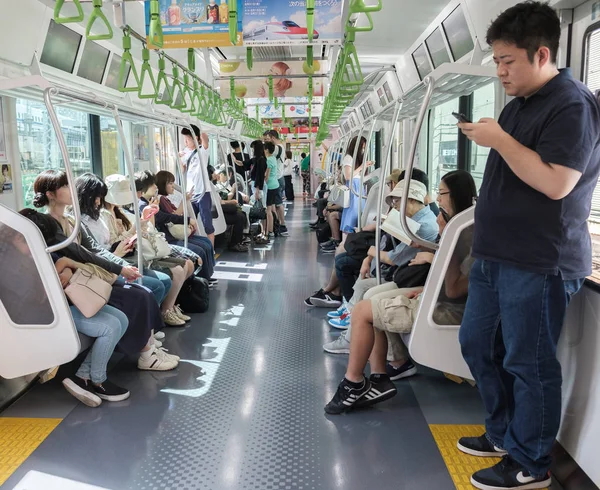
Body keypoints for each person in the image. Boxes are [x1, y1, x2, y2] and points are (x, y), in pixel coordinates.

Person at [455, 3, 600, 489]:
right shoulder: (520, 104)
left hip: (539, 261)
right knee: (476, 343)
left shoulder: (571, 105)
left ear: (542, 54)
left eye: (507, 60)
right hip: (497, 255)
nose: (499, 71)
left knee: (529, 363)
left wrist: (498, 140)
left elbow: (557, 183)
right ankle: (503, 434)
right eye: (496, 60)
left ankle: (531, 462)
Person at [324, 171, 477, 415]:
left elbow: (453, 287)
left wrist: (436, 252)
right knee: (371, 298)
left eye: (441, 192)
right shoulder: (455, 225)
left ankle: (353, 383)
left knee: (365, 310)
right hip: (435, 294)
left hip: (447, 307)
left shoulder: (461, 230)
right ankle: (378, 377)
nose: (437, 198)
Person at [181, 125, 215, 247]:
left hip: (203, 192)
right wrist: (179, 159)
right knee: (189, 223)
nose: (185, 142)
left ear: (194, 138)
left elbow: (204, 137)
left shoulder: (202, 151)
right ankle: (192, 248)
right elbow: (182, 171)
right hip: (190, 194)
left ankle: (211, 250)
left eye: (188, 139)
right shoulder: (185, 153)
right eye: (184, 139)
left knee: (207, 224)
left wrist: (194, 126)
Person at [263, 130, 289, 235]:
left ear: (273, 138)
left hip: (276, 179)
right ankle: (277, 225)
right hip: (278, 178)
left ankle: (283, 225)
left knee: (278, 204)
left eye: (267, 139)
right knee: (274, 205)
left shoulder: (277, 148)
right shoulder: (280, 147)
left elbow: (266, 154)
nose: (266, 142)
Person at [250, 139, 269, 244]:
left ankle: (264, 234)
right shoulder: (258, 159)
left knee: (262, 210)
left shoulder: (261, 160)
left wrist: (257, 190)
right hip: (257, 187)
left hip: (259, 187)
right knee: (261, 209)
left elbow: (260, 176)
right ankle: (262, 233)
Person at [264, 141, 279, 239]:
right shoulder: (273, 158)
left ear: (267, 150)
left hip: (270, 186)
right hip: (275, 185)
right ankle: (276, 227)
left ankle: (270, 231)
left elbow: (266, 176)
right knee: (273, 208)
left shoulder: (268, 160)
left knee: (268, 210)